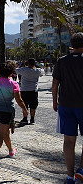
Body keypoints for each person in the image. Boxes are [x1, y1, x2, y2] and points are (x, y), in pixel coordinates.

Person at [0, 61, 28, 166]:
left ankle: (11, 150)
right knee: (0, 135)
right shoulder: (14, 84)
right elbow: (19, 100)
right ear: (11, 72)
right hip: (7, 111)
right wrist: (25, 110)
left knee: (5, 130)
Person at [52, 32, 83, 184]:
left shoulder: (62, 61)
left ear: (72, 44)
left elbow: (55, 83)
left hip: (65, 105)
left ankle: (70, 176)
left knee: (69, 141)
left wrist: (54, 102)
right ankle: (81, 170)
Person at [16, 58, 43, 125]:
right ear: (34, 63)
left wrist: (22, 65)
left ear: (27, 63)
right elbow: (42, 72)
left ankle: (25, 118)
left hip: (24, 90)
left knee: (25, 105)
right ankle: (32, 118)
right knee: (33, 105)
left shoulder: (23, 69)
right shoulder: (38, 70)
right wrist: (36, 66)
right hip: (33, 90)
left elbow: (15, 70)